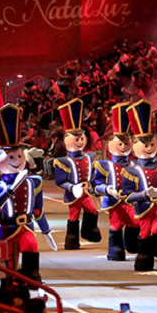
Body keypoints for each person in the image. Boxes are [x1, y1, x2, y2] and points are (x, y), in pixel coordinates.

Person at [0, 104, 58, 282]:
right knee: (6, 264)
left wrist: (46, 231)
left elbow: (38, 210)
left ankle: (32, 278)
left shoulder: (34, 183)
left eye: (18, 157)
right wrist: (8, 192)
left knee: (30, 246)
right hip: (4, 228)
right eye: (11, 157)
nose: (15, 161)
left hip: (26, 227)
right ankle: (6, 283)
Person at [122, 100, 157, 271]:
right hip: (143, 207)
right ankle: (144, 259)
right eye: (146, 145)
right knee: (144, 232)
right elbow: (128, 196)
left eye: (152, 144)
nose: (150, 148)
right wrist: (144, 195)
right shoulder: (132, 170)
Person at [52, 98, 102, 250]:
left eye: (81, 138)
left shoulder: (89, 157)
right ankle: (72, 240)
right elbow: (60, 180)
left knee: (92, 210)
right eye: (76, 139)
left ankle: (88, 231)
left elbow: (92, 174)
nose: (80, 141)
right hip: (73, 194)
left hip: (85, 192)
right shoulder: (64, 161)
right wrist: (72, 188)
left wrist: (95, 188)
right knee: (73, 215)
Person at [93, 103, 140, 261]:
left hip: (130, 201)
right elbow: (96, 185)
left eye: (126, 143)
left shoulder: (134, 165)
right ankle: (115, 249)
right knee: (116, 223)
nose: (124, 146)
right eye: (120, 143)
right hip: (114, 200)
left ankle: (130, 243)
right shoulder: (105, 165)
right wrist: (107, 189)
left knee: (135, 221)